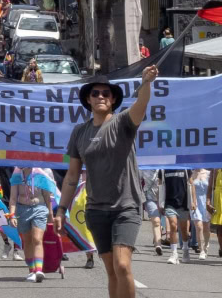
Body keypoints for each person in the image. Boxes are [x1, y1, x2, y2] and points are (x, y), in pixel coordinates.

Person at [55, 65, 159, 298]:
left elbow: (141, 105)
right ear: (88, 100)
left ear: (112, 100)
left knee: (123, 265)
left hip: (126, 207)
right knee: (112, 270)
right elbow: (72, 176)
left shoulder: (123, 122)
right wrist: (61, 209)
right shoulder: (79, 133)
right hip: (96, 210)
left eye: (105, 94)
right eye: (95, 93)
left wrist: (146, 82)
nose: (100, 96)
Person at [8, 167, 53, 283]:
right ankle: (31, 270)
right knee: (27, 241)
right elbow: (13, 198)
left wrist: (51, 216)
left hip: (40, 208)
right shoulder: (17, 174)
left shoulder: (40, 173)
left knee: (37, 239)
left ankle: (38, 270)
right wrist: (12, 215)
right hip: (22, 210)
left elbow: (47, 197)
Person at [161, 168, 193, 264]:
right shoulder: (163, 170)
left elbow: (191, 184)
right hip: (169, 203)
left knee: (184, 230)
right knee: (173, 225)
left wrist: (193, 201)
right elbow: (159, 185)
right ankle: (174, 253)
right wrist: (159, 203)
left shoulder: (186, 169)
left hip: (183, 203)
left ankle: (186, 250)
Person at [189, 169, 212, 260]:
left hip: (206, 203)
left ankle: (205, 246)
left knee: (206, 227)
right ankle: (201, 249)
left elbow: (212, 189)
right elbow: (189, 189)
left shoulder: (209, 174)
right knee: (199, 226)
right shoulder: (191, 174)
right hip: (195, 203)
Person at [140, 169, 164, 255]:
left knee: (161, 221)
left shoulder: (163, 167)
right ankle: (158, 245)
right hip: (149, 197)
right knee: (156, 221)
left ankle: (158, 235)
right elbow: (137, 181)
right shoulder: (144, 168)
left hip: (163, 198)